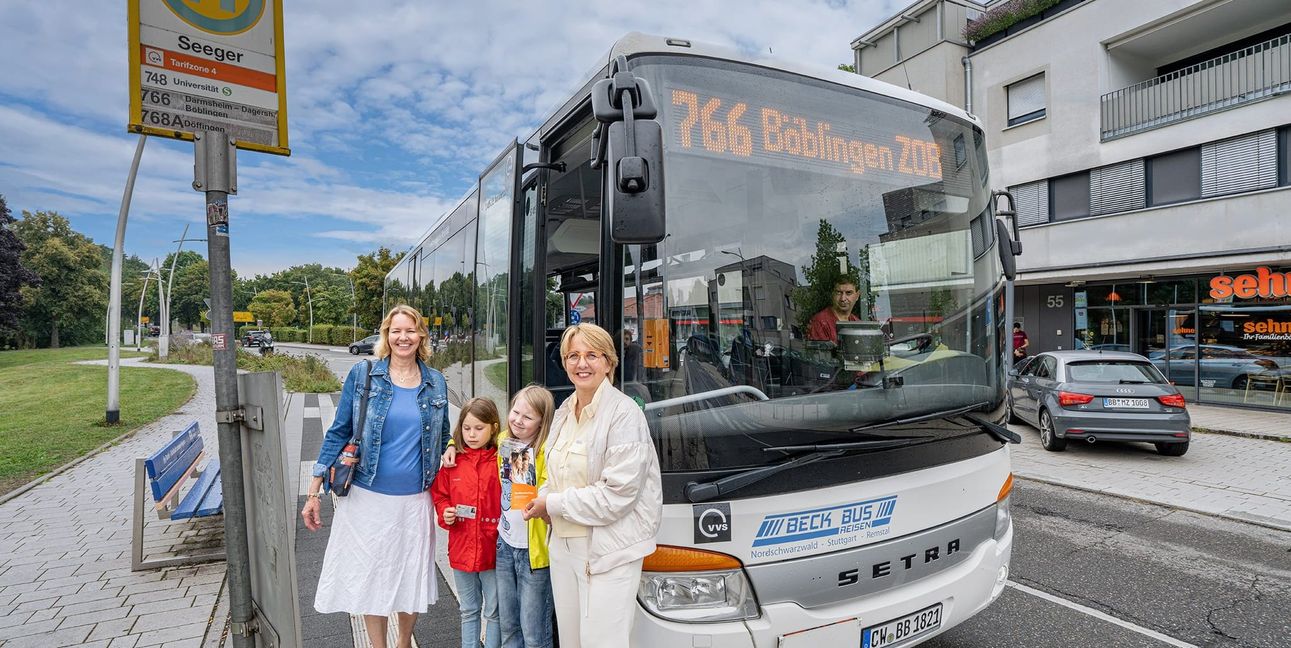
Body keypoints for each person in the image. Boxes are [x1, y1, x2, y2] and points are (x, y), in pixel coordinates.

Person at [302, 304, 450, 648]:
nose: (403, 337)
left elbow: (443, 435)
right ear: (386, 335)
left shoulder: (436, 382)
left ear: (421, 336)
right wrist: (314, 491)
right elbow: (339, 431)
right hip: (367, 498)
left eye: (410, 331)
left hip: (415, 499)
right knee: (373, 578)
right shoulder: (364, 375)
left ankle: (403, 644)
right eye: (396, 331)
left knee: (410, 576)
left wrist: (454, 446)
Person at [523, 323, 663, 648]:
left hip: (608, 553)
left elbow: (616, 495)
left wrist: (551, 504)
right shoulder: (564, 411)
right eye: (573, 356)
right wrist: (542, 496)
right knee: (571, 641)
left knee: (603, 642)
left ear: (608, 362)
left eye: (591, 355)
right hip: (563, 549)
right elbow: (553, 475)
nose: (581, 363)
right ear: (564, 362)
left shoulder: (624, 414)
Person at [432, 398, 503, 648]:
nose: (472, 434)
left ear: (494, 428)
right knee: (469, 609)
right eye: (467, 428)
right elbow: (440, 495)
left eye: (479, 428)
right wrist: (445, 512)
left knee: (494, 611)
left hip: (492, 550)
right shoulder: (453, 464)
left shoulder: (501, 462)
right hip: (461, 548)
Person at [807, 278, 861, 343]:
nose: (843, 299)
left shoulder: (857, 322)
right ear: (832, 294)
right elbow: (819, 349)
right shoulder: (820, 322)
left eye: (848, 293)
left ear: (857, 295)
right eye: (838, 292)